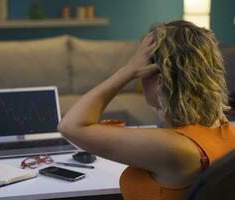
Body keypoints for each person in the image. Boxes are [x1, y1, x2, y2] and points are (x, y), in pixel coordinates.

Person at [58, 20, 235, 200]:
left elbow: (71, 126)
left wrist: (127, 71)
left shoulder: (173, 148)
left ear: (160, 81)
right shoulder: (226, 130)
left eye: (141, 72)